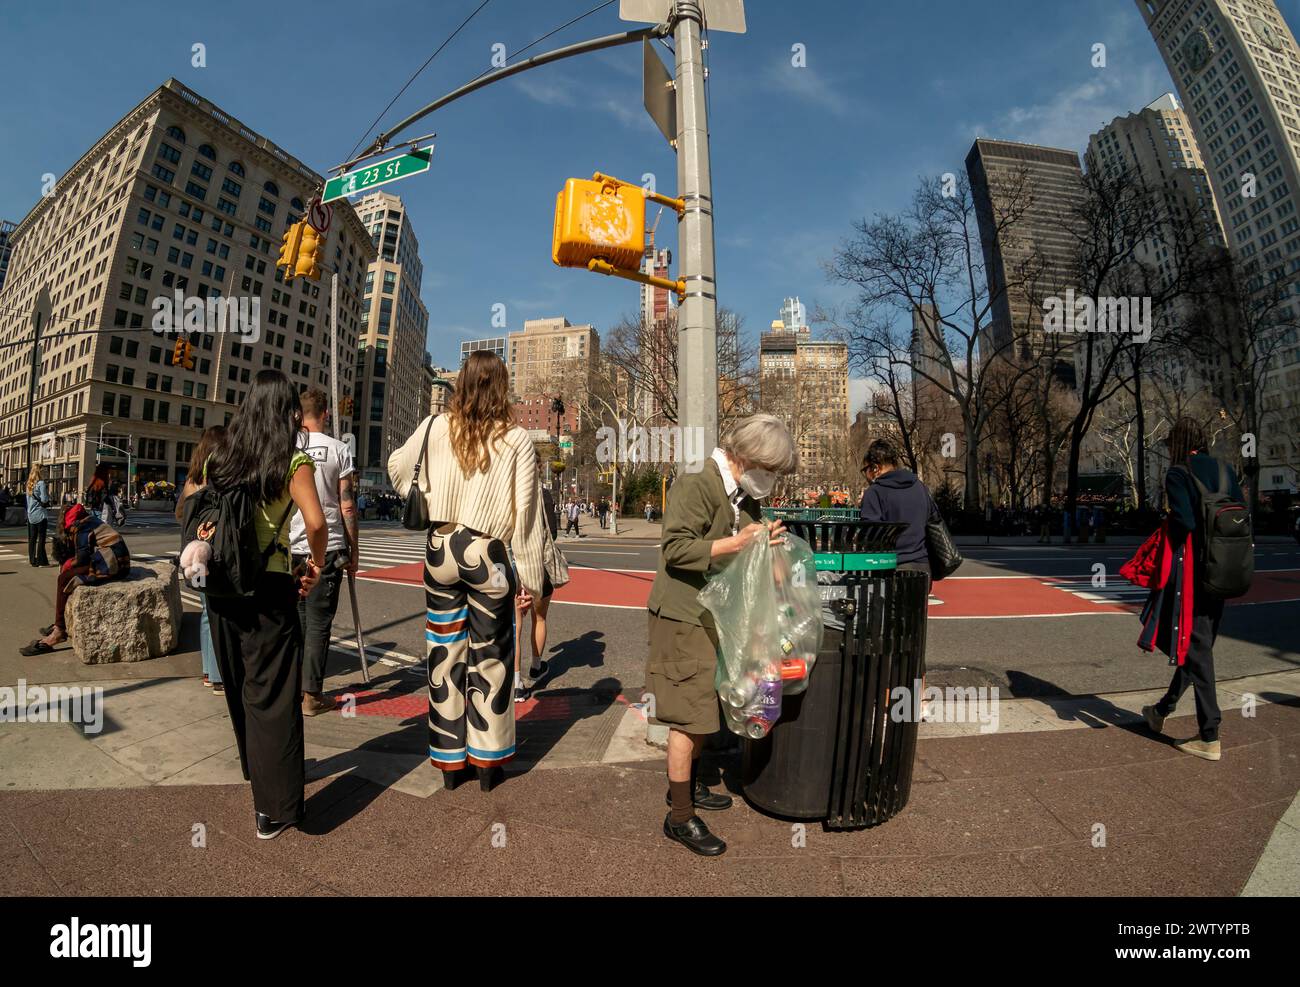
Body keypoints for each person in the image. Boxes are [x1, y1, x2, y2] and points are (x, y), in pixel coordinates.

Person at [388, 351, 547, 793]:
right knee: (491, 655)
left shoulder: (435, 426)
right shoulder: (516, 439)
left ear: (461, 383)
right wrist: (531, 578)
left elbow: (398, 468)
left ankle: (448, 762)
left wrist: (426, 491)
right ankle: (487, 761)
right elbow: (527, 515)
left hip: (439, 548)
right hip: (487, 553)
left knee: (444, 652)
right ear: (501, 387)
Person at [646, 413, 797, 857]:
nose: (771, 480)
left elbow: (742, 550)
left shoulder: (744, 497)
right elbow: (674, 548)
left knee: (706, 709)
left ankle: (687, 788)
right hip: (683, 616)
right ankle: (678, 817)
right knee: (689, 717)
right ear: (747, 457)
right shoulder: (698, 482)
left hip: (714, 616)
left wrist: (765, 542)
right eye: (770, 470)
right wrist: (736, 543)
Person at [204, 370, 327, 840]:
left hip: (221, 588)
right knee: (273, 698)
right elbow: (316, 522)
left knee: (241, 691)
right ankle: (274, 810)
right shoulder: (291, 460)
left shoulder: (225, 455)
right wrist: (314, 566)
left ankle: (257, 778)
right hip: (268, 590)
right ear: (286, 411)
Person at [1141, 417, 1243, 762]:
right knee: (1197, 645)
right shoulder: (1227, 471)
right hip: (1228, 568)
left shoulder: (1179, 473)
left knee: (1197, 650)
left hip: (1194, 574)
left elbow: (1183, 521)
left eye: (1171, 443)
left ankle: (1210, 734)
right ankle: (1161, 710)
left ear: (1179, 444)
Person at [290, 388, 358, 717]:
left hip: (292, 545)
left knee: (298, 620)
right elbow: (347, 505)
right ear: (325, 415)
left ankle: (296, 687)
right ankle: (311, 694)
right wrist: (353, 548)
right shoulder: (339, 450)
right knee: (319, 623)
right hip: (327, 545)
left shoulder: (287, 448)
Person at [859, 438, 939, 719]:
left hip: (888, 570)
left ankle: (887, 699)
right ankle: (920, 700)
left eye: (866, 470)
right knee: (916, 635)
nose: (867, 476)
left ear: (877, 467)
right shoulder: (919, 487)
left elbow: (870, 534)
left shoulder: (876, 492)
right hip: (920, 570)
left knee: (884, 636)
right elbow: (933, 522)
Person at [21, 502, 131, 655]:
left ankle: (58, 632)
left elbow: (83, 558)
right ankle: (60, 622)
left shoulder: (79, 527)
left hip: (112, 563)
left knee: (64, 579)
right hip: (117, 560)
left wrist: (67, 565)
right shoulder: (88, 519)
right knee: (68, 576)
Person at [176, 426, 228, 696]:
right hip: (213, 553)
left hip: (192, 555)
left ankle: (208, 672)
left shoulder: (193, 479)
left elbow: (179, 513)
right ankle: (218, 676)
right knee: (217, 610)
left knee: (206, 611)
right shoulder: (220, 476)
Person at [516, 459, 560, 703]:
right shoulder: (543, 494)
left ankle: (515, 683)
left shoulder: (507, 489)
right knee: (539, 618)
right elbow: (552, 533)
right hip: (538, 566)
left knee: (515, 625)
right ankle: (535, 665)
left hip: (513, 565)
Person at [26, 465, 50, 567]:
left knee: (32, 539)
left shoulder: (29, 484)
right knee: (41, 539)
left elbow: (27, 501)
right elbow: (44, 500)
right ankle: (41, 561)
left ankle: (32, 560)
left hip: (31, 514)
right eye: (43, 470)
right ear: (39, 472)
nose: (44, 472)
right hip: (40, 514)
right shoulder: (41, 483)